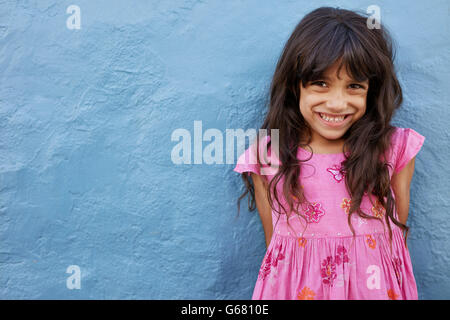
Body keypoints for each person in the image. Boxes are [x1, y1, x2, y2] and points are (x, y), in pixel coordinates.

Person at [233, 6, 426, 300]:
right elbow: (275, 247)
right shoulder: (268, 156)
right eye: (321, 83)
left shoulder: (393, 150)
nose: (337, 103)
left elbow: (397, 239)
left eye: (354, 86)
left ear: (371, 92)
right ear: (295, 85)